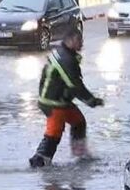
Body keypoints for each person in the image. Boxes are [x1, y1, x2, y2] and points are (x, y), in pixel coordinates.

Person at [29, 28, 104, 168]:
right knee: (54, 132)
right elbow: (75, 85)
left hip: (61, 100)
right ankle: (39, 161)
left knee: (79, 122)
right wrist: (92, 101)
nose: (81, 44)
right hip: (53, 102)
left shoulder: (64, 53)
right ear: (70, 41)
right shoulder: (66, 59)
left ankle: (80, 153)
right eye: (79, 40)